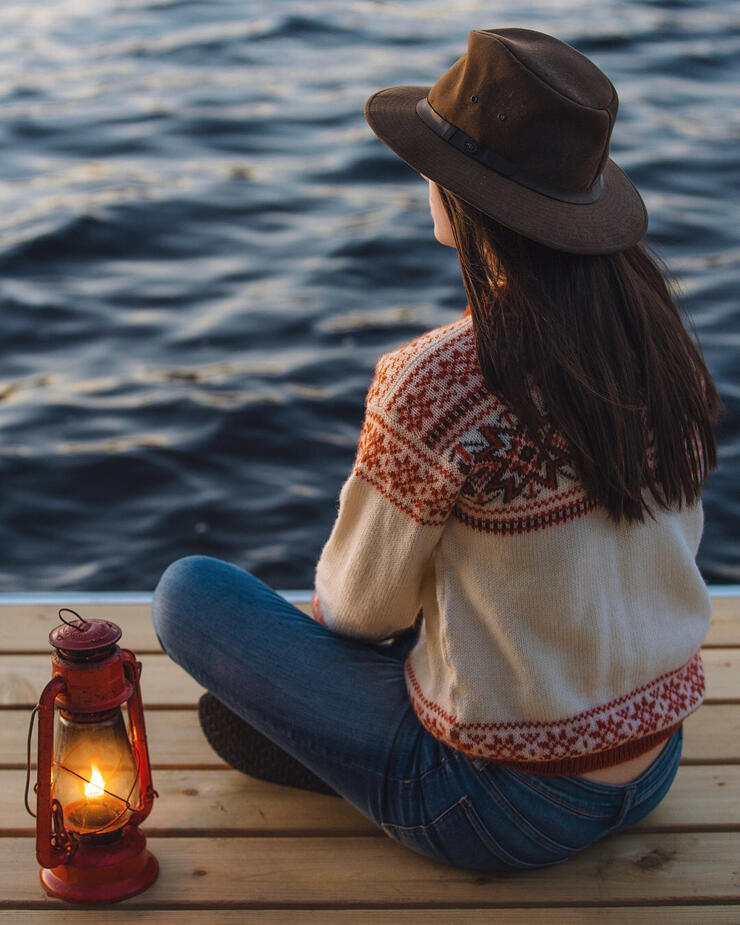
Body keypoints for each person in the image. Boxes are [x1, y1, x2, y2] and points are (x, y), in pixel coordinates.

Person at [151, 28, 723, 872]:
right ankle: (345, 731)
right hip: (653, 761)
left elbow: (356, 611)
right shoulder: (657, 342)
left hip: (497, 808)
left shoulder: (437, 381)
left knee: (187, 593)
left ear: (465, 197)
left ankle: (343, 745)